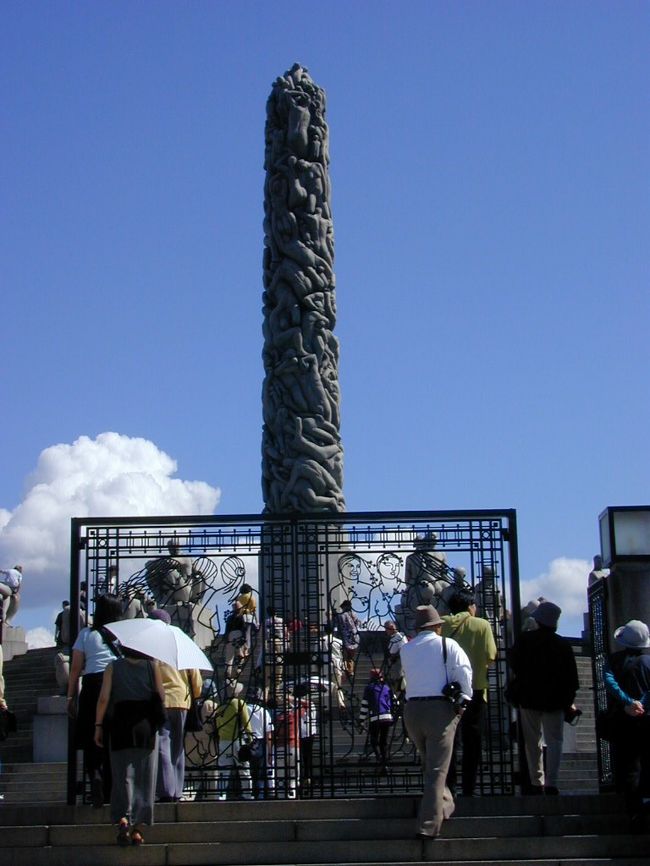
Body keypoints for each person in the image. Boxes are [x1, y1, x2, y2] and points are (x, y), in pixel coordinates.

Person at [400, 605, 472, 839]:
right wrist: (464, 700)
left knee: (430, 763)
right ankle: (429, 825)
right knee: (436, 769)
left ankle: (446, 804)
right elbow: (463, 672)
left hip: (412, 711)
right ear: (437, 626)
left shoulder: (406, 649)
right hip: (438, 710)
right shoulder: (447, 645)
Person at [94, 646, 166, 846]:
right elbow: (161, 696)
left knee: (122, 774)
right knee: (145, 777)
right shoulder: (153, 667)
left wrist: (98, 725)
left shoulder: (112, 667)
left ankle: (123, 818)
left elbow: (103, 699)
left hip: (120, 723)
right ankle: (138, 829)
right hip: (145, 725)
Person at [509, 600, 579, 795]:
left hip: (528, 698)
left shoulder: (525, 640)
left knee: (532, 741)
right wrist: (568, 700)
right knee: (555, 740)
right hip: (555, 701)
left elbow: (513, 663)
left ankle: (536, 780)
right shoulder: (563, 645)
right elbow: (572, 679)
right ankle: (552, 782)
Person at [67, 593, 124, 807]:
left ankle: (95, 778)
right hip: (116, 684)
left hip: (92, 685)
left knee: (92, 737)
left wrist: (71, 695)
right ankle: (111, 788)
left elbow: (75, 667)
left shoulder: (85, 634)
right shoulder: (121, 635)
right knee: (113, 737)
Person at [441, 589, 497, 797]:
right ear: (470, 606)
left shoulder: (442, 624)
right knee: (473, 741)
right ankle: (469, 788)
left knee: (450, 741)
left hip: (447, 692)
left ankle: (450, 787)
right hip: (475, 689)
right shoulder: (481, 624)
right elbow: (491, 655)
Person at [603, 619, 650, 830]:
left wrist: (628, 703)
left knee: (629, 766)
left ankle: (633, 810)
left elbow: (609, 682)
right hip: (647, 718)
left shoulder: (613, 660)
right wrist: (642, 702)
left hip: (623, 721)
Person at [153, 609, 202, 803]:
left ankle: (166, 789)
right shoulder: (181, 643)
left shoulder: (152, 647)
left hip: (162, 699)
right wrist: (194, 695)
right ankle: (177, 790)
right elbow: (196, 679)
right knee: (178, 747)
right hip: (182, 701)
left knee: (163, 744)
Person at [214, 682, 254, 800]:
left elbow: (217, 725)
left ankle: (221, 795)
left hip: (223, 741)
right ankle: (247, 794)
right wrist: (250, 739)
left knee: (224, 770)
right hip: (238, 740)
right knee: (244, 770)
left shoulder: (221, 706)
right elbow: (246, 723)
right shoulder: (240, 704)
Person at [359, 668, 394, 773]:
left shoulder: (369, 688)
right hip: (387, 717)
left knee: (374, 740)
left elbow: (364, 706)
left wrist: (361, 720)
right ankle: (385, 762)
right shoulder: (387, 687)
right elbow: (394, 701)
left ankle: (379, 760)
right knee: (384, 741)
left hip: (375, 717)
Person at [336, 600, 360, 679]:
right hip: (355, 637)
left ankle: (346, 670)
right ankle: (351, 670)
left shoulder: (342, 615)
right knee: (350, 656)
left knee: (344, 655)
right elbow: (358, 624)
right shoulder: (354, 615)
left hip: (345, 637)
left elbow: (340, 626)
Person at [383, 620, 407, 695]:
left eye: (386, 629)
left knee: (399, 683)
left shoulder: (399, 637)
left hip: (398, 663)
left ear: (391, 627)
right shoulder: (393, 637)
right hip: (393, 663)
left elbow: (403, 648)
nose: (386, 631)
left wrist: (395, 656)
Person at [54, 601, 71, 695]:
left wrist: (55, 635)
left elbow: (57, 626)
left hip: (63, 637)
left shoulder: (61, 614)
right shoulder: (74, 612)